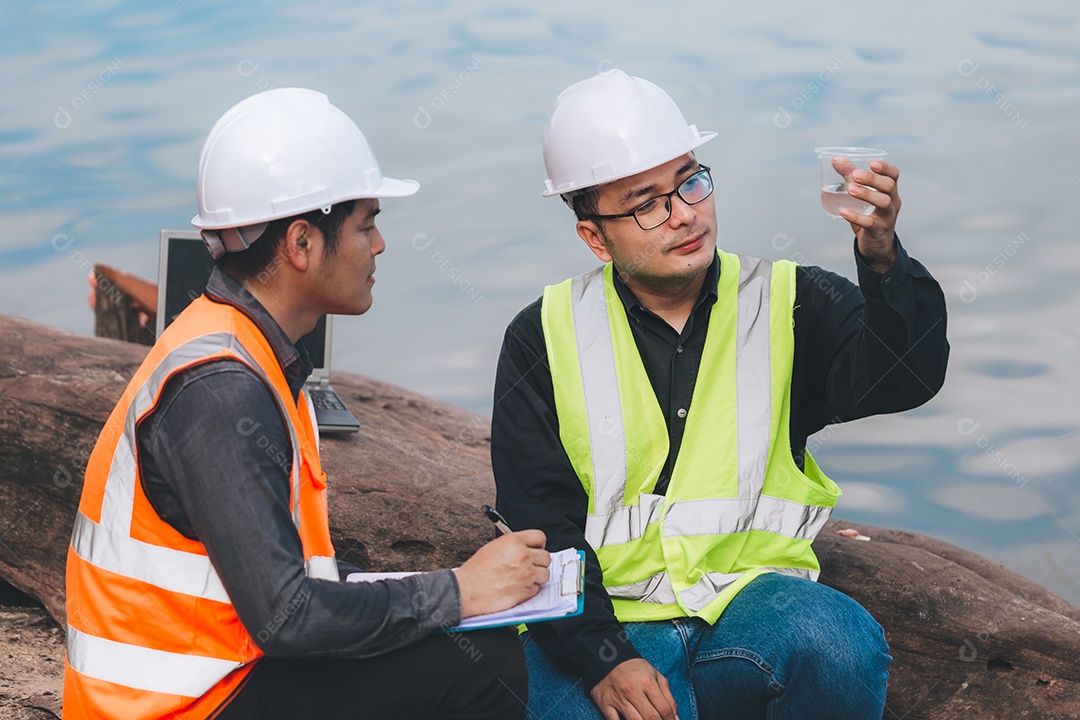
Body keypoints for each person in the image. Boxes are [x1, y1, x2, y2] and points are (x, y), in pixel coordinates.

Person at [63, 88, 549, 720]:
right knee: (483, 667)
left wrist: (447, 593)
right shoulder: (221, 390)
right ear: (301, 243)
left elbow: (288, 587)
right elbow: (288, 617)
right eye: (367, 224)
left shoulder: (239, 346)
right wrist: (459, 591)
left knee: (455, 637)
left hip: (206, 684)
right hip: (179, 707)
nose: (379, 245)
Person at [492, 69, 949, 719]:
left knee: (839, 645)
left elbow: (906, 377)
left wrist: (882, 260)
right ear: (595, 237)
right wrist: (604, 659)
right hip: (608, 625)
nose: (684, 214)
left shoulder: (791, 303)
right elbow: (542, 521)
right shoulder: (543, 335)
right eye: (647, 204)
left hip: (750, 607)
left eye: (690, 181)